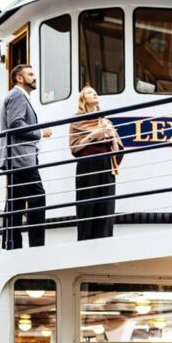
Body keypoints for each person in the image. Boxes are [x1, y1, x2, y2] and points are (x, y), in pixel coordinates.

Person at [1, 64, 53, 250]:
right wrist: (40, 132)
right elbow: (16, 124)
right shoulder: (17, 95)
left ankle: (12, 245)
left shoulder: (14, 96)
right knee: (38, 197)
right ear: (19, 78)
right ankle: (37, 246)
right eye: (30, 74)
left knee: (15, 203)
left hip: (14, 157)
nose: (34, 77)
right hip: (21, 157)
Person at [69, 86, 124, 241]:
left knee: (106, 206)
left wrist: (112, 136)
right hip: (88, 165)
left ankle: (104, 242)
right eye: (89, 92)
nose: (94, 93)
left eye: (95, 92)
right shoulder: (77, 120)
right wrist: (93, 135)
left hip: (106, 165)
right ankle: (85, 242)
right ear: (83, 99)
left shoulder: (105, 121)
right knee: (87, 206)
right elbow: (74, 148)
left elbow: (117, 149)